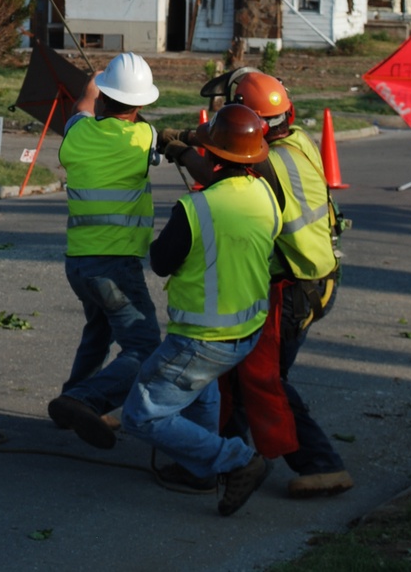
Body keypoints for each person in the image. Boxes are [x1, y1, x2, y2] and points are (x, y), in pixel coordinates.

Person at [120, 104, 282, 516]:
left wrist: (191, 145)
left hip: (202, 338)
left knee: (141, 415)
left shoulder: (194, 209)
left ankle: (235, 460)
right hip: (245, 332)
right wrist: (191, 148)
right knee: (201, 390)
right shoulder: (266, 194)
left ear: (212, 153)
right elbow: (233, 177)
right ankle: (200, 471)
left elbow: (160, 262)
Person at [230, 70, 353, 499]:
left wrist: (186, 144)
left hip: (295, 286)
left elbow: (224, 159)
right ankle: (223, 454)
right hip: (319, 278)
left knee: (266, 378)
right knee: (239, 370)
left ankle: (321, 464)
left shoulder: (266, 163)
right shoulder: (298, 140)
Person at [46, 52, 163, 449]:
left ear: (103, 98)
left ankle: (71, 399)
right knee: (145, 348)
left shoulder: (76, 133)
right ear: (142, 104)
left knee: (99, 328)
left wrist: (92, 82)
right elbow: (141, 126)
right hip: (116, 268)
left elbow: (82, 104)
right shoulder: (143, 139)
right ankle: (83, 400)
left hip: (79, 265)